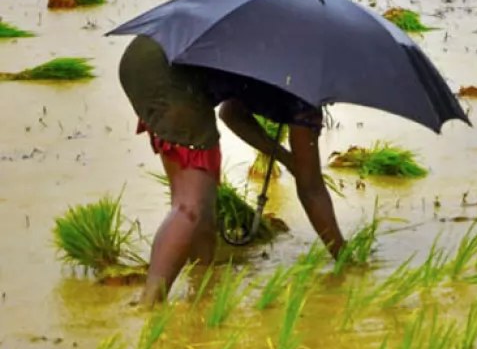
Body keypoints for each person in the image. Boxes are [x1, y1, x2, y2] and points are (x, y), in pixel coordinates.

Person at [118, 35, 346, 306]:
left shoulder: (286, 54)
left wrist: (283, 157)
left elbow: (231, 113)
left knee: (202, 200)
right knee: (190, 205)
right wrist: (345, 260)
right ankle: (150, 302)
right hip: (171, 76)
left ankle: (202, 286)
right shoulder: (305, 95)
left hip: (144, 55)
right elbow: (312, 189)